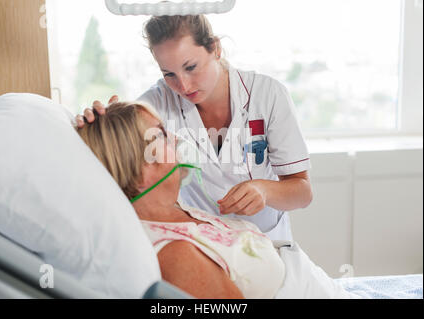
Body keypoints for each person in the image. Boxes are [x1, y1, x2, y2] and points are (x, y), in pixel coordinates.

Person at [76, 101, 357, 299]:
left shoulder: (170, 210)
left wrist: (109, 124)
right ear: (138, 169)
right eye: (161, 134)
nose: (175, 138)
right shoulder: (177, 256)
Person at [76, 15, 313, 241]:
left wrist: (265, 190)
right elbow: (119, 147)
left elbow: (302, 193)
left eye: (190, 67)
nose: (182, 85)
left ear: (215, 49)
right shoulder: (157, 104)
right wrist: (98, 124)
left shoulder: (268, 95)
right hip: (205, 244)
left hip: (269, 241)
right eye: (169, 74)